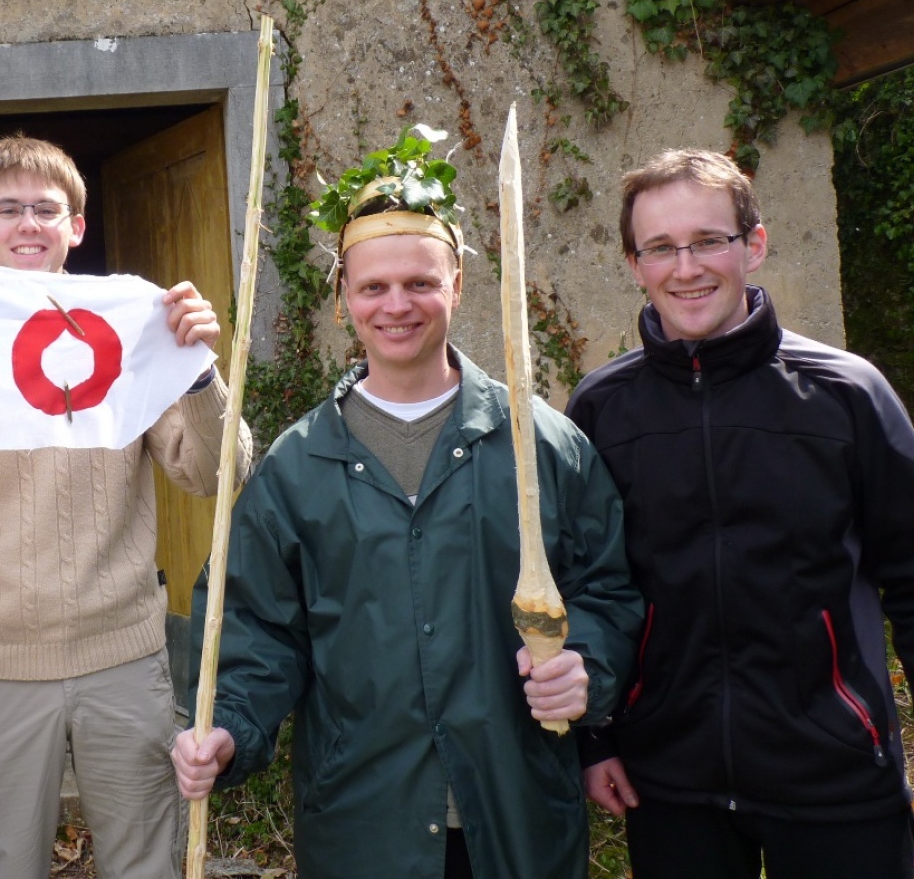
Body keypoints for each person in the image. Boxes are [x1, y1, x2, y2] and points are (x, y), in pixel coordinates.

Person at [170, 140, 643, 879]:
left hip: (517, 810)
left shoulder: (540, 446)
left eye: (420, 282)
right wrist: (229, 725)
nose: (396, 306)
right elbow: (254, 627)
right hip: (364, 821)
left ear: (457, 285)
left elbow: (607, 588)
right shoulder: (299, 467)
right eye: (374, 286)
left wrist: (586, 660)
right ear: (343, 296)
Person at [0, 134, 252, 879]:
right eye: (8, 209)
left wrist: (197, 369)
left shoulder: (133, 333)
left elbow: (215, 473)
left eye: (46, 209)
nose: (28, 224)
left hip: (125, 658)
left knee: (147, 865)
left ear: (75, 226)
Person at [566, 148, 914, 879]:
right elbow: (584, 583)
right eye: (660, 247)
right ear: (635, 264)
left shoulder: (846, 395)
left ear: (753, 245)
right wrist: (594, 739)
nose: (686, 268)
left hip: (837, 775)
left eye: (708, 241)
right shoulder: (602, 410)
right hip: (670, 784)